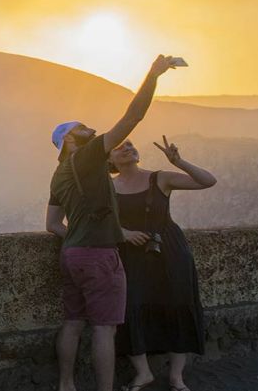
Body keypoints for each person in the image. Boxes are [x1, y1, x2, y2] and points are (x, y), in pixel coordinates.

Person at [45, 54, 177, 391]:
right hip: (99, 256)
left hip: (72, 254)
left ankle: (66, 384)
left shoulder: (59, 175)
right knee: (105, 329)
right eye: (81, 128)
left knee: (73, 322)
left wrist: (80, 235)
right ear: (71, 141)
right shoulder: (87, 157)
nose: (89, 129)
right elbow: (133, 116)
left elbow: (52, 225)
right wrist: (153, 74)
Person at [108, 136, 216, 391]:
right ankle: (143, 373)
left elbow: (207, 181)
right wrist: (123, 233)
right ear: (109, 159)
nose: (127, 148)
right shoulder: (108, 188)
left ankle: (177, 377)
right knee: (130, 308)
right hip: (130, 253)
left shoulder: (160, 178)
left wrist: (178, 161)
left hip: (169, 249)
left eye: (131, 145)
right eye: (119, 147)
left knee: (178, 304)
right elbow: (99, 220)